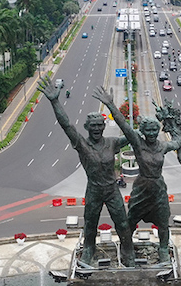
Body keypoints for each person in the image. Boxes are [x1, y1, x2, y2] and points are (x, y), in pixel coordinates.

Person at [38, 77, 135, 267]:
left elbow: (130, 133)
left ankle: (127, 250)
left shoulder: (112, 143)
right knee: (90, 226)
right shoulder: (81, 144)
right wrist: (55, 101)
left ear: (104, 126)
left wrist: (111, 105)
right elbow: (66, 125)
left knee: (123, 225)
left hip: (111, 190)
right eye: (93, 126)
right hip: (93, 191)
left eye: (100, 125)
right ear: (86, 128)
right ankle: (89, 250)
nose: (97, 128)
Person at [95, 87, 181, 263]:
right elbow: (123, 125)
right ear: (143, 131)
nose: (152, 134)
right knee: (130, 221)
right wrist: (110, 104)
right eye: (149, 131)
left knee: (163, 222)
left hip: (158, 188)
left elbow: (177, 142)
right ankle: (126, 248)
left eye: (155, 130)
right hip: (142, 188)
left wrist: (175, 127)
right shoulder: (138, 144)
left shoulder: (162, 146)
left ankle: (162, 249)